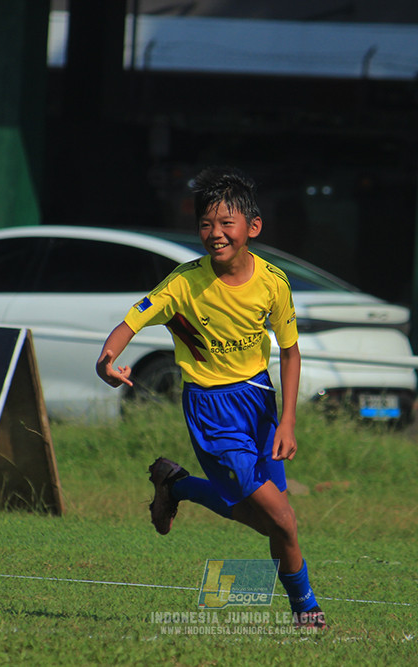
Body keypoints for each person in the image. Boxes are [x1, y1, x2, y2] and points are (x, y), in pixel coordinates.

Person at [96, 166, 326, 629]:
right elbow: (129, 323)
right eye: (206, 224)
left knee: (273, 521)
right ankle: (306, 609)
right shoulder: (184, 283)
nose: (215, 233)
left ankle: (177, 485)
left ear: (252, 227)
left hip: (259, 403)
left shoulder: (273, 283)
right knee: (281, 519)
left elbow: (290, 351)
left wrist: (287, 422)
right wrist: (107, 361)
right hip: (212, 410)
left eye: (226, 223)